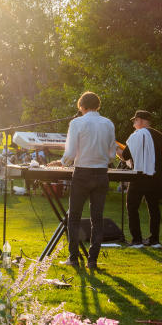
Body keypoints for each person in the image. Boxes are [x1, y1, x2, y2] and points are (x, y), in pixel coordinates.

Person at [61, 91, 118, 269]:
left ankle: (74, 258)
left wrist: (63, 163)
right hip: (101, 173)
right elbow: (111, 154)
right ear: (98, 105)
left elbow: (70, 154)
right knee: (97, 218)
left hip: (82, 173)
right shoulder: (108, 123)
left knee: (74, 217)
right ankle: (92, 260)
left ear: (81, 106)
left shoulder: (77, 122)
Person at [121, 110, 162, 248]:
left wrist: (116, 149)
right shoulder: (159, 135)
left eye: (135, 121)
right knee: (153, 208)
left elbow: (125, 156)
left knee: (132, 207)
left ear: (140, 120)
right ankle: (154, 240)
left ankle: (137, 240)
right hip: (155, 177)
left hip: (139, 177)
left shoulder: (136, 136)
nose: (133, 124)